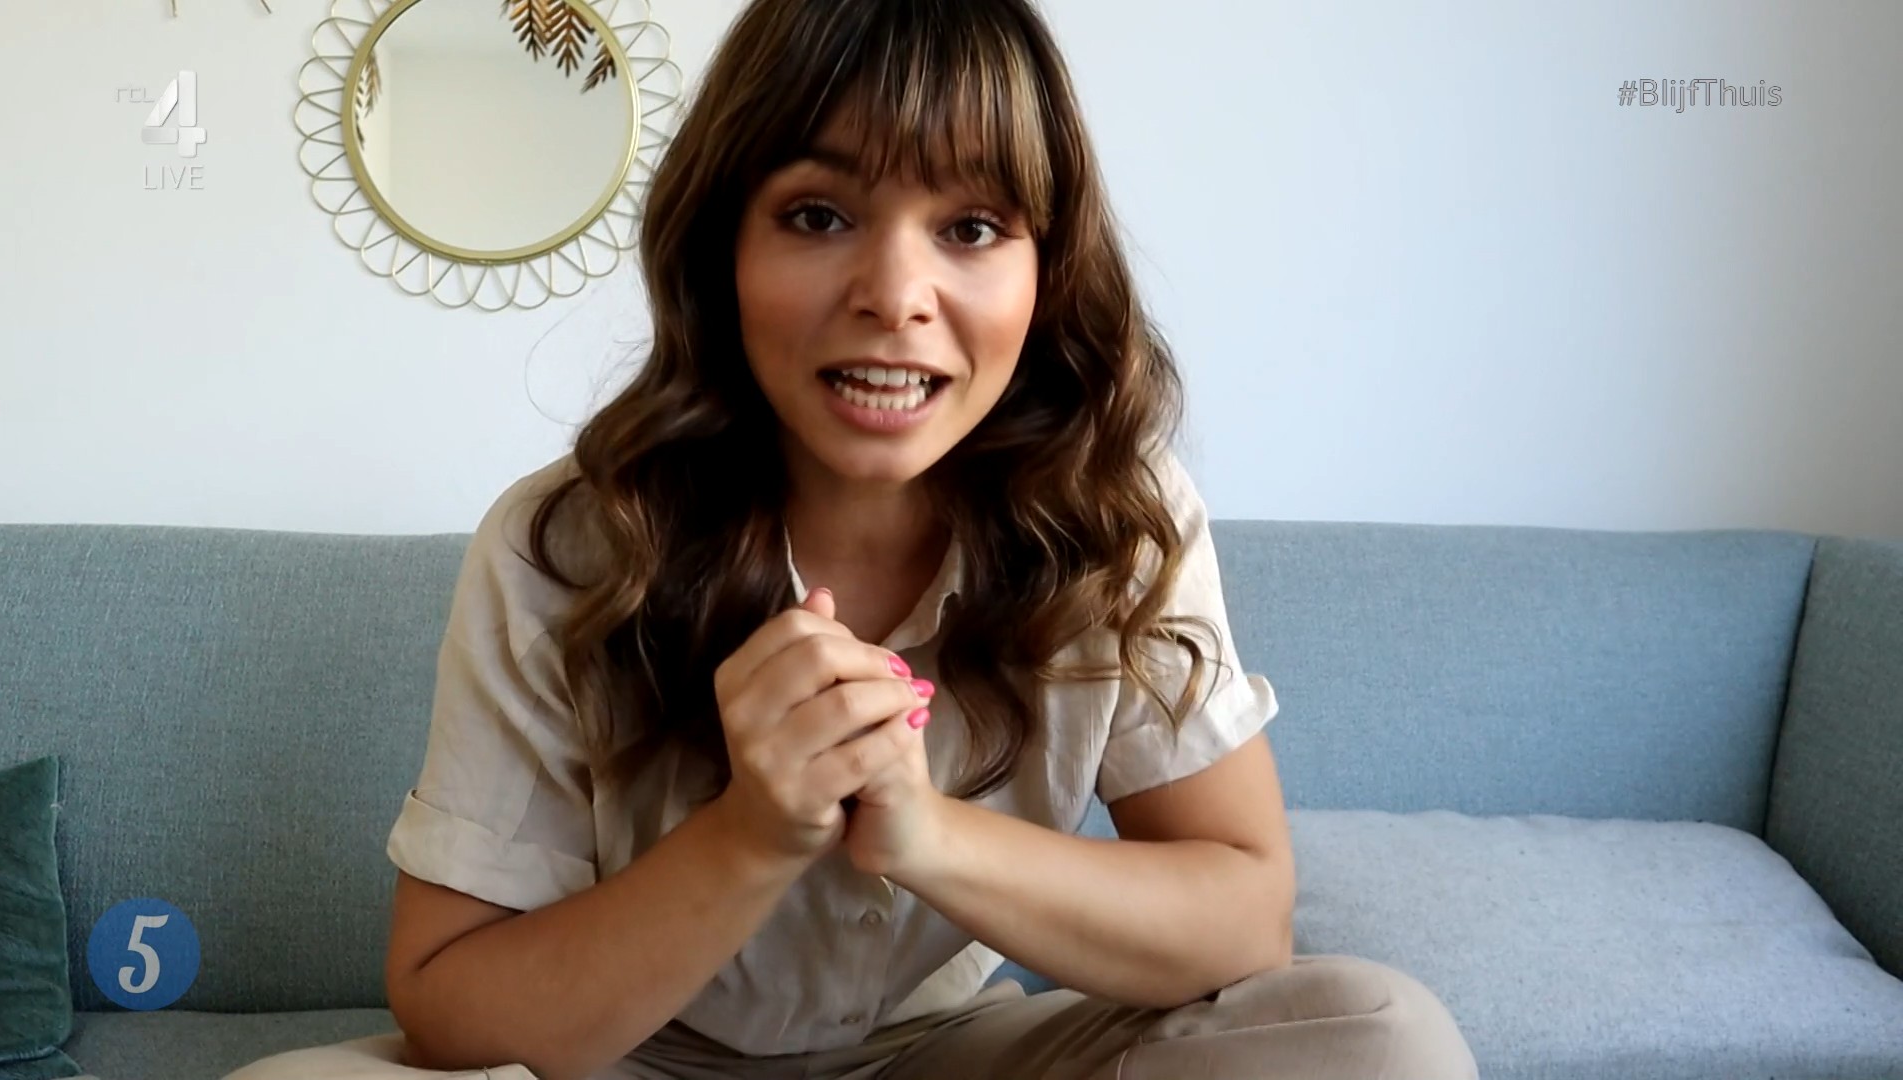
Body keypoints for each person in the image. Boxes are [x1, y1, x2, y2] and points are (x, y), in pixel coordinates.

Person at [229, 0, 1479, 1077]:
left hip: (943, 1053)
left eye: (971, 228)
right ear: (723, 249)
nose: (894, 295)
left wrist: (926, 834)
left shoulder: (1116, 520)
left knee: (1378, 1041)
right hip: (625, 1058)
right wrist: (752, 834)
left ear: (1048, 269)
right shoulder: (562, 545)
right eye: (819, 215)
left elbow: (1245, 919)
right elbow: (450, 1002)